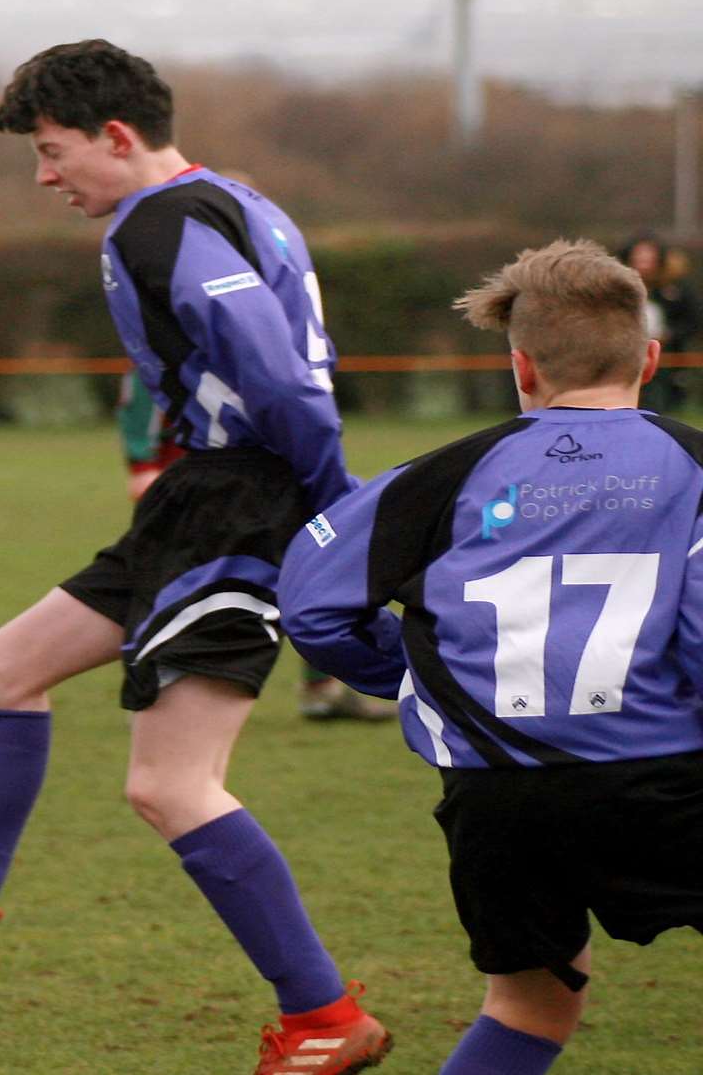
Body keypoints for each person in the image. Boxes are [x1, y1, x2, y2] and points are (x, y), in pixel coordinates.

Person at [0, 40, 391, 1074]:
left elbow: (279, 374)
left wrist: (334, 507)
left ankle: (325, 1016)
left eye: (51, 150)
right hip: (202, 497)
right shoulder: (237, 201)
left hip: (241, 503)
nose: (44, 177)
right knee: (6, 666)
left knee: (173, 786)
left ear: (116, 136)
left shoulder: (163, 222)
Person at [278, 238, 703, 1074]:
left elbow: (311, 600)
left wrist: (419, 671)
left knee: (533, 1003)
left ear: (522, 367)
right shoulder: (691, 465)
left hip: (499, 794)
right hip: (661, 777)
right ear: (651, 358)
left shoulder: (443, 476)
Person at [117, 367, 390, 724]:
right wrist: (142, 463)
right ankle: (153, 689)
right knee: (181, 589)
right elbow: (144, 384)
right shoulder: (187, 330)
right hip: (204, 486)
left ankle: (323, 688)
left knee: (317, 573)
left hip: (275, 479)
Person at [616, 232, 700, 413]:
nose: (644, 261)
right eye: (639, 255)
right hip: (624, 356)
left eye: (648, 256)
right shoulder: (616, 288)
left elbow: (692, 320)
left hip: (666, 360)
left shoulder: (675, 290)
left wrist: (670, 335)